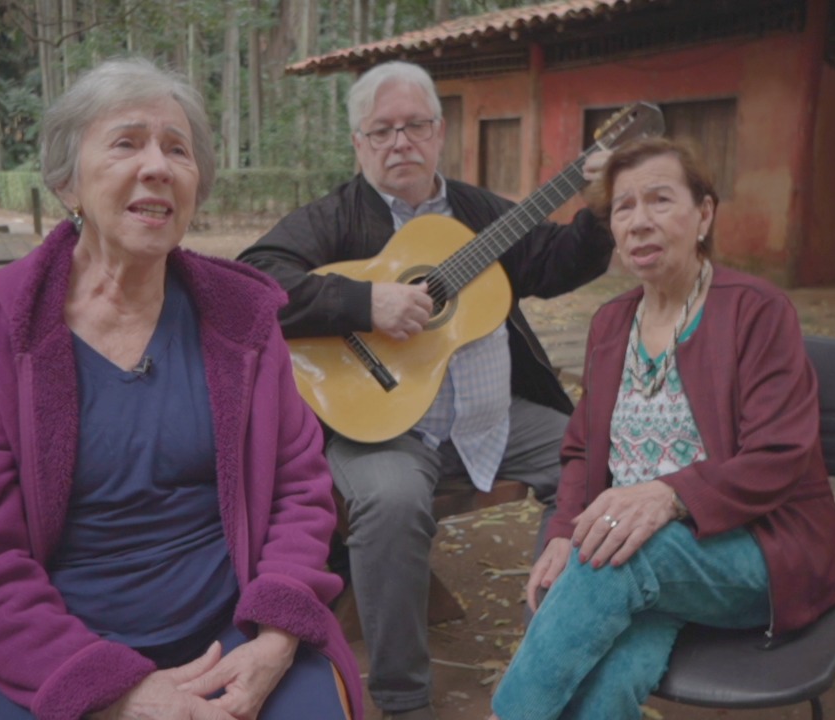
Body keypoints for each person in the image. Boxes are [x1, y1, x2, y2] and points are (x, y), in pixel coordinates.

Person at [0, 57, 362, 720]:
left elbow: (298, 489)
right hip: (48, 653)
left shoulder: (242, 323)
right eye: (126, 142)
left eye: (177, 149)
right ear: (67, 182)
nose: (158, 166)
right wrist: (109, 689)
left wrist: (278, 636)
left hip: (234, 638)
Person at [238, 61, 615, 720]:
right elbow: (255, 281)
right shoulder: (335, 216)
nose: (399, 142)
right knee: (388, 499)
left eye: (413, 125)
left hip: (492, 418)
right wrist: (364, 301)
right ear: (358, 144)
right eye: (380, 130)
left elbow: (555, 263)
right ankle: (404, 701)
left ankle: (544, 663)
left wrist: (603, 207)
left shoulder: (476, 212)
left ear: (439, 132)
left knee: (594, 459)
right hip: (382, 426)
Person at [487, 137, 835, 720]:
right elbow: (583, 449)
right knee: (602, 688)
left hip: (757, 548)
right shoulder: (611, 323)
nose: (638, 222)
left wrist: (668, 495)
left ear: (704, 213)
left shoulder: (755, 310)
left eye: (660, 200)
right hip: (640, 560)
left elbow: (780, 452)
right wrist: (561, 530)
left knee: (607, 556)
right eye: (623, 207)